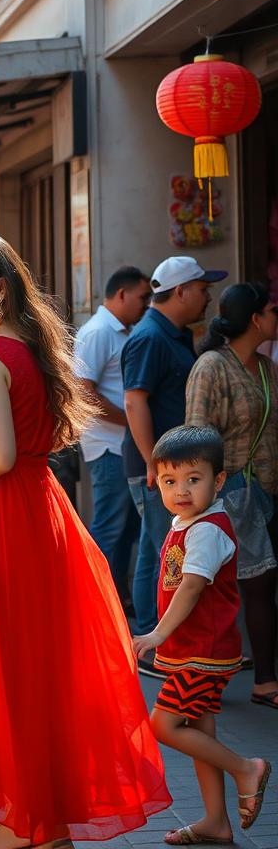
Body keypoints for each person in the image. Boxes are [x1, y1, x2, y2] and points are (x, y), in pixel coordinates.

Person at [0, 230, 170, 849]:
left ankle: (22, 824)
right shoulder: (32, 350)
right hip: (36, 513)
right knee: (31, 672)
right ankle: (32, 821)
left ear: (1, 287)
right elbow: (29, 450)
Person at [132, 426, 271, 846]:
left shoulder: (208, 529)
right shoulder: (187, 523)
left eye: (194, 479)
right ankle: (216, 821)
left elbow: (191, 586)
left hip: (203, 653)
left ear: (219, 480)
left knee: (164, 726)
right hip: (192, 652)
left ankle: (247, 768)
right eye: (171, 481)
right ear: (156, 480)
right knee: (199, 731)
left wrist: (156, 634)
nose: (182, 490)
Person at [123, 255, 226, 668]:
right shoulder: (149, 336)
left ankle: (151, 638)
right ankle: (152, 642)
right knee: (163, 553)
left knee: (156, 550)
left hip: (171, 465)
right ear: (181, 291)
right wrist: (154, 464)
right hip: (159, 468)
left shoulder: (177, 333)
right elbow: (134, 400)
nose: (207, 298)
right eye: (202, 289)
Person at [186, 282, 278, 708]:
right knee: (252, 584)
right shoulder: (211, 366)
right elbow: (198, 434)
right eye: (272, 310)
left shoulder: (265, 366)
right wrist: (202, 497)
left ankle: (257, 675)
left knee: (261, 583)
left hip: (268, 488)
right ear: (256, 319)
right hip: (234, 489)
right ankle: (261, 680)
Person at [74, 265, 152, 600]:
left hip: (121, 445)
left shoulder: (120, 329)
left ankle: (115, 601)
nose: (147, 304)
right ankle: (98, 603)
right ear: (121, 294)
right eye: (142, 297)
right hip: (108, 446)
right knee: (111, 528)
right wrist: (131, 420)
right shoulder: (99, 331)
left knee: (126, 530)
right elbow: (82, 391)